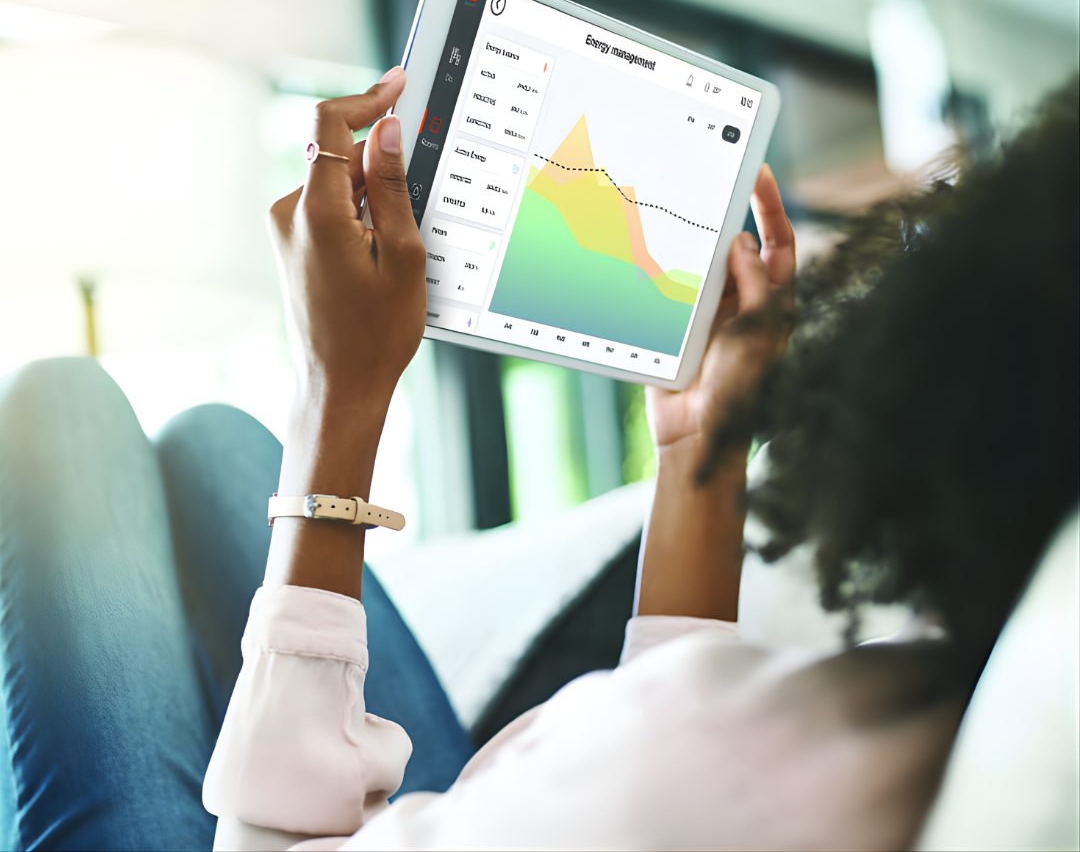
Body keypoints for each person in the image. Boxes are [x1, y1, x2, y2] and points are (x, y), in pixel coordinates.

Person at [0, 69, 1075, 851]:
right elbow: (679, 740)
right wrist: (704, 445)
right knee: (214, 447)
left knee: (63, 410)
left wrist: (341, 394)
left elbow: (271, 845)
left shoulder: (719, 769)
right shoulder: (922, 710)